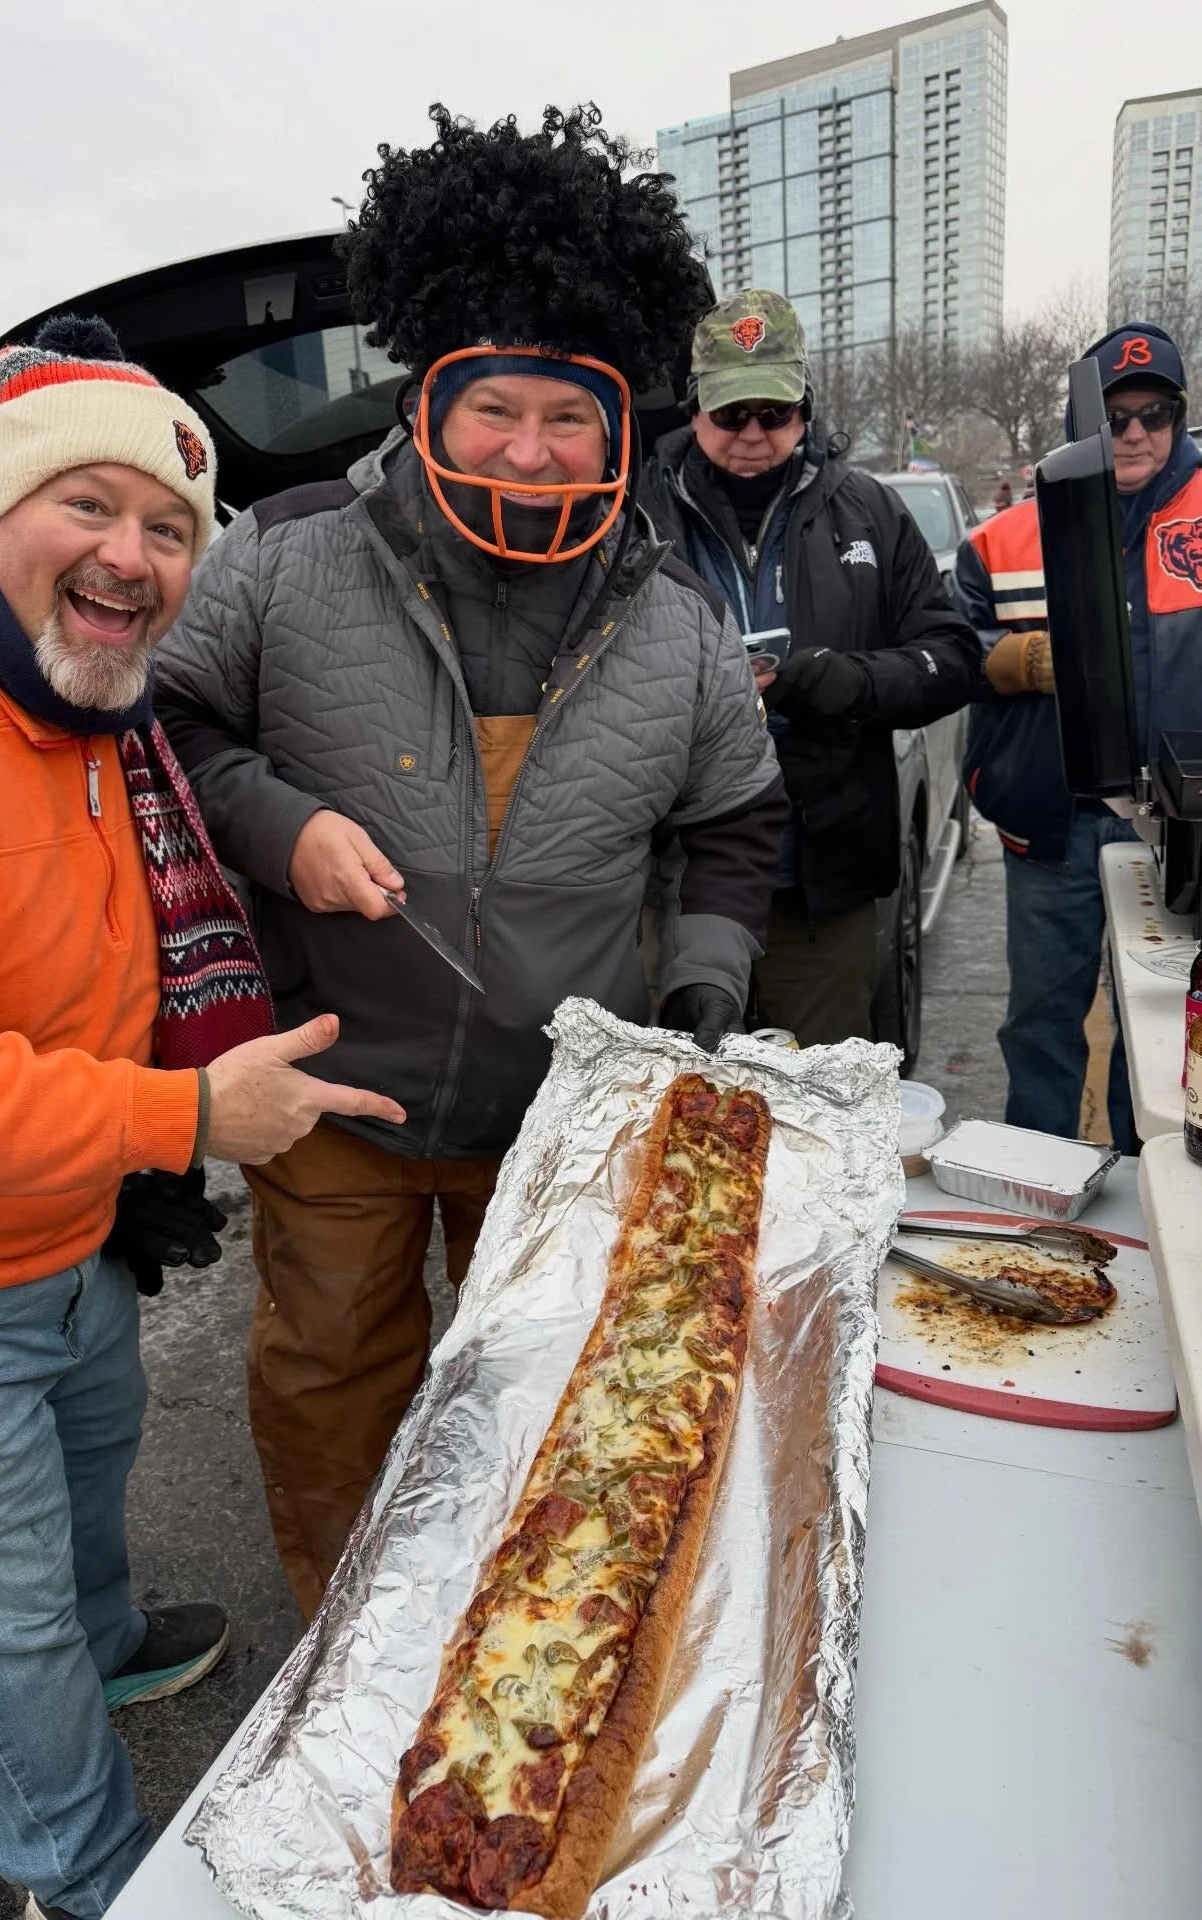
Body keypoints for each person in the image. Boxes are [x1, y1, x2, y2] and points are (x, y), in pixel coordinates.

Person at [0, 317, 403, 1920]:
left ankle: (106, 1647)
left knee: (88, 1476)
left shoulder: (89, 703)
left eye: (171, 529)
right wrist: (182, 1114)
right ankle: (92, 1873)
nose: (133, 556)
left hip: (62, 1227)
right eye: (90, 507)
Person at [155, 103, 789, 1618]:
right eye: (494, 406)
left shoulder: (680, 621)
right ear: (429, 400)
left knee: (542, 1393)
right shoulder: (283, 554)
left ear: (617, 424)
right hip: (335, 1093)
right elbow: (166, 730)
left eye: (568, 416)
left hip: (557, 1115)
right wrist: (280, 825)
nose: (528, 446)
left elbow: (735, 821)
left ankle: (513, 1641)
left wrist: (703, 988)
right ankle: (348, 1642)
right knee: (331, 1384)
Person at [640, 290, 982, 1047]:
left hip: (822, 886)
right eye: (731, 413)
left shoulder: (871, 512)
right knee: (681, 1094)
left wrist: (850, 683)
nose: (753, 434)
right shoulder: (636, 517)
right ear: (694, 407)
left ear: (806, 407)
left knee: (820, 1093)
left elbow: (956, 657)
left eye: (775, 412)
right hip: (674, 884)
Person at [956, 320, 1201, 1147]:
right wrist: (1016, 659)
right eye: (1116, 416)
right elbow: (949, 649)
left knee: (1161, 1030)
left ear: (1178, 417)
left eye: (1154, 414)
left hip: (1179, 832)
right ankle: (1038, 1183)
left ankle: (1145, 1180)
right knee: (1039, 1020)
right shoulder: (1004, 538)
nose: (1134, 433)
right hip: (1051, 824)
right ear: (1082, 421)